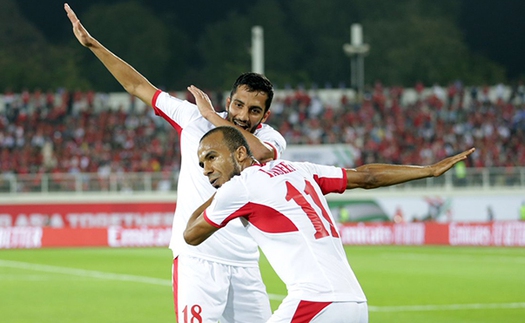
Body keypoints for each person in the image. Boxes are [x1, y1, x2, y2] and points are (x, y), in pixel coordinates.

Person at [64, 3, 286, 323]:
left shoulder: (271, 140)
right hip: (198, 259)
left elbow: (261, 155)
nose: (242, 114)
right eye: (238, 104)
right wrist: (92, 44)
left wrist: (212, 116)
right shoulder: (192, 118)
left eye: (253, 110)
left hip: (246, 265)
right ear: (229, 101)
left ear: (265, 116)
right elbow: (138, 86)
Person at [185, 126, 475, 322]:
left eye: (211, 157)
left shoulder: (240, 189)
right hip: (356, 306)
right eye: (201, 165)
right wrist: (428, 170)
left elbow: (190, 235)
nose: (206, 169)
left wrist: (218, 192)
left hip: (316, 302)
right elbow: (368, 177)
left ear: (239, 154)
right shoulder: (301, 169)